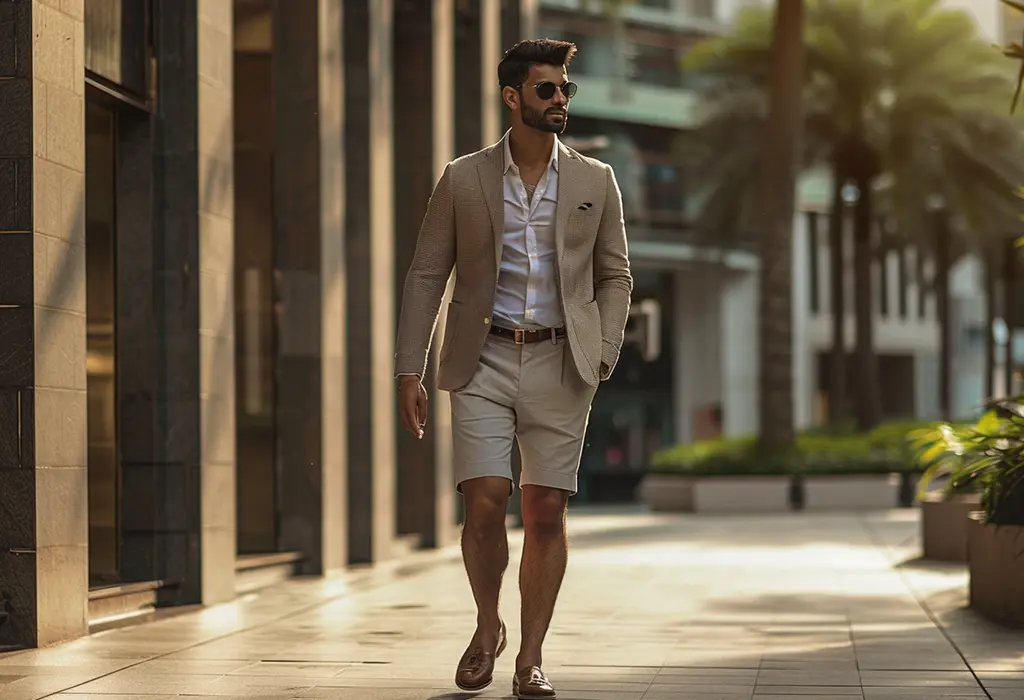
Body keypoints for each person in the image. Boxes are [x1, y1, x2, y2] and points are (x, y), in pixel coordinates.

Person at [393, 38, 632, 699]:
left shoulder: (595, 180)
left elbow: (615, 274)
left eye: (566, 90)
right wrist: (408, 365)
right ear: (512, 97)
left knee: (547, 510)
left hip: (564, 360)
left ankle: (530, 656)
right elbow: (426, 273)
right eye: (547, 89)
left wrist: (604, 349)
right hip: (483, 357)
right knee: (484, 504)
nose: (560, 100)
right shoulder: (463, 177)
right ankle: (486, 624)